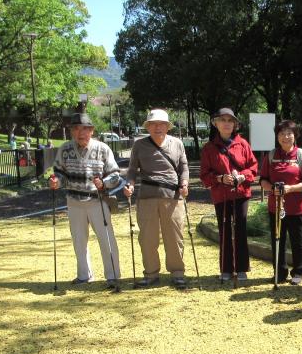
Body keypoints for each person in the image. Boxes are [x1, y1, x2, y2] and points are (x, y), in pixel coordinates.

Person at [49, 113, 123, 288]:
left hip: (97, 200)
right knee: (79, 240)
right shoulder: (65, 149)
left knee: (106, 239)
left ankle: (113, 275)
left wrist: (103, 183)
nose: (80, 133)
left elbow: (116, 175)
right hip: (74, 201)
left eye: (84, 129)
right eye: (75, 129)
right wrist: (55, 182)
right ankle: (84, 275)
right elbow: (60, 173)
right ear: (71, 131)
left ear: (91, 130)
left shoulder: (103, 149)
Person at [123, 108, 189, 288]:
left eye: (161, 124)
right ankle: (151, 273)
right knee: (147, 238)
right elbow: (131, 171)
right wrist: (129, 184)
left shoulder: (177, 143)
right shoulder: (139, 145)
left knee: (175, 237)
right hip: (146, 197)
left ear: (167, 127)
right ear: (148, 127)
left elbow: (184, 167)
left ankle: (177, 272)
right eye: (153, 124)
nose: (157, 127)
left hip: (173, 196)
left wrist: (184, 182)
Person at [199, 107, 258, 282]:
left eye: (230, 121)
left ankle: (241, 268)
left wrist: (242, 176)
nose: (226, 124)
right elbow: (204, 176)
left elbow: (253, 167)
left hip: (241, 194)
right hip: (221, 196)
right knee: (224, 231)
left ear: (235, 124)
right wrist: (218, 178)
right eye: (222, 120)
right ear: (215, 123)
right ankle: (226, 268)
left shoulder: (243, 144)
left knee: (240, 230)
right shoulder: (209, 148)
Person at [259, 120, 302, 285]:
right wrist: (271, 188)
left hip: (296, 207)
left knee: (298, 241)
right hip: (275, 206)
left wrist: (290, 188)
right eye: (282, 133)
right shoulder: (270, 155)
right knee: (277, 240)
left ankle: (299, 272)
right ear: (277, 136)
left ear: (295, 136)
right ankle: (280, 272)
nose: (285, 137)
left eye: (289, 133)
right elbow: (262, 180)